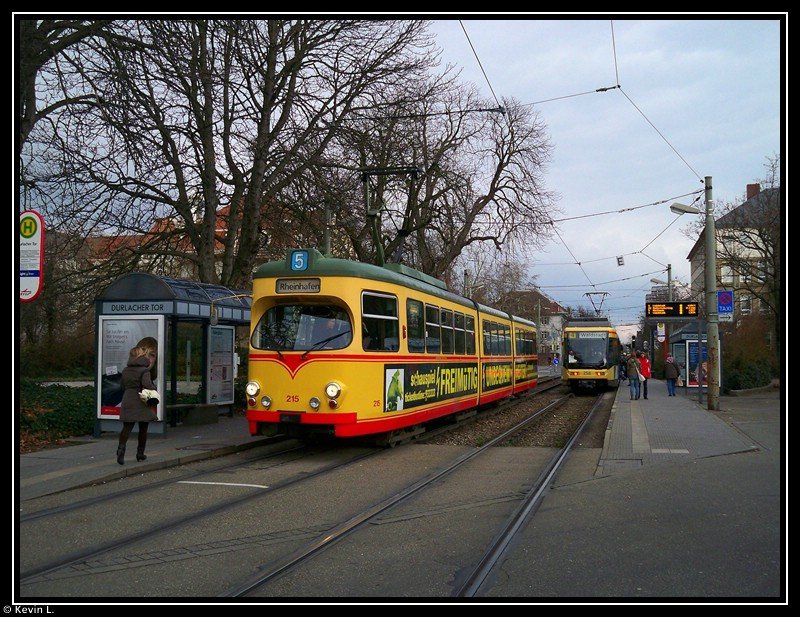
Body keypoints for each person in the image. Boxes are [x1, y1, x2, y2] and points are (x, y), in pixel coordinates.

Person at [117, 339, 158, 465]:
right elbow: (147, 385)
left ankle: (121, 449)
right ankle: (140, 453)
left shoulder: (126, 370)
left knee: (127, 427)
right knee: (143, 428)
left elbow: (122, 386)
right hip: (140, 401)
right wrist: (154, 388)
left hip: (128, 399)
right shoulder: (144, 371)